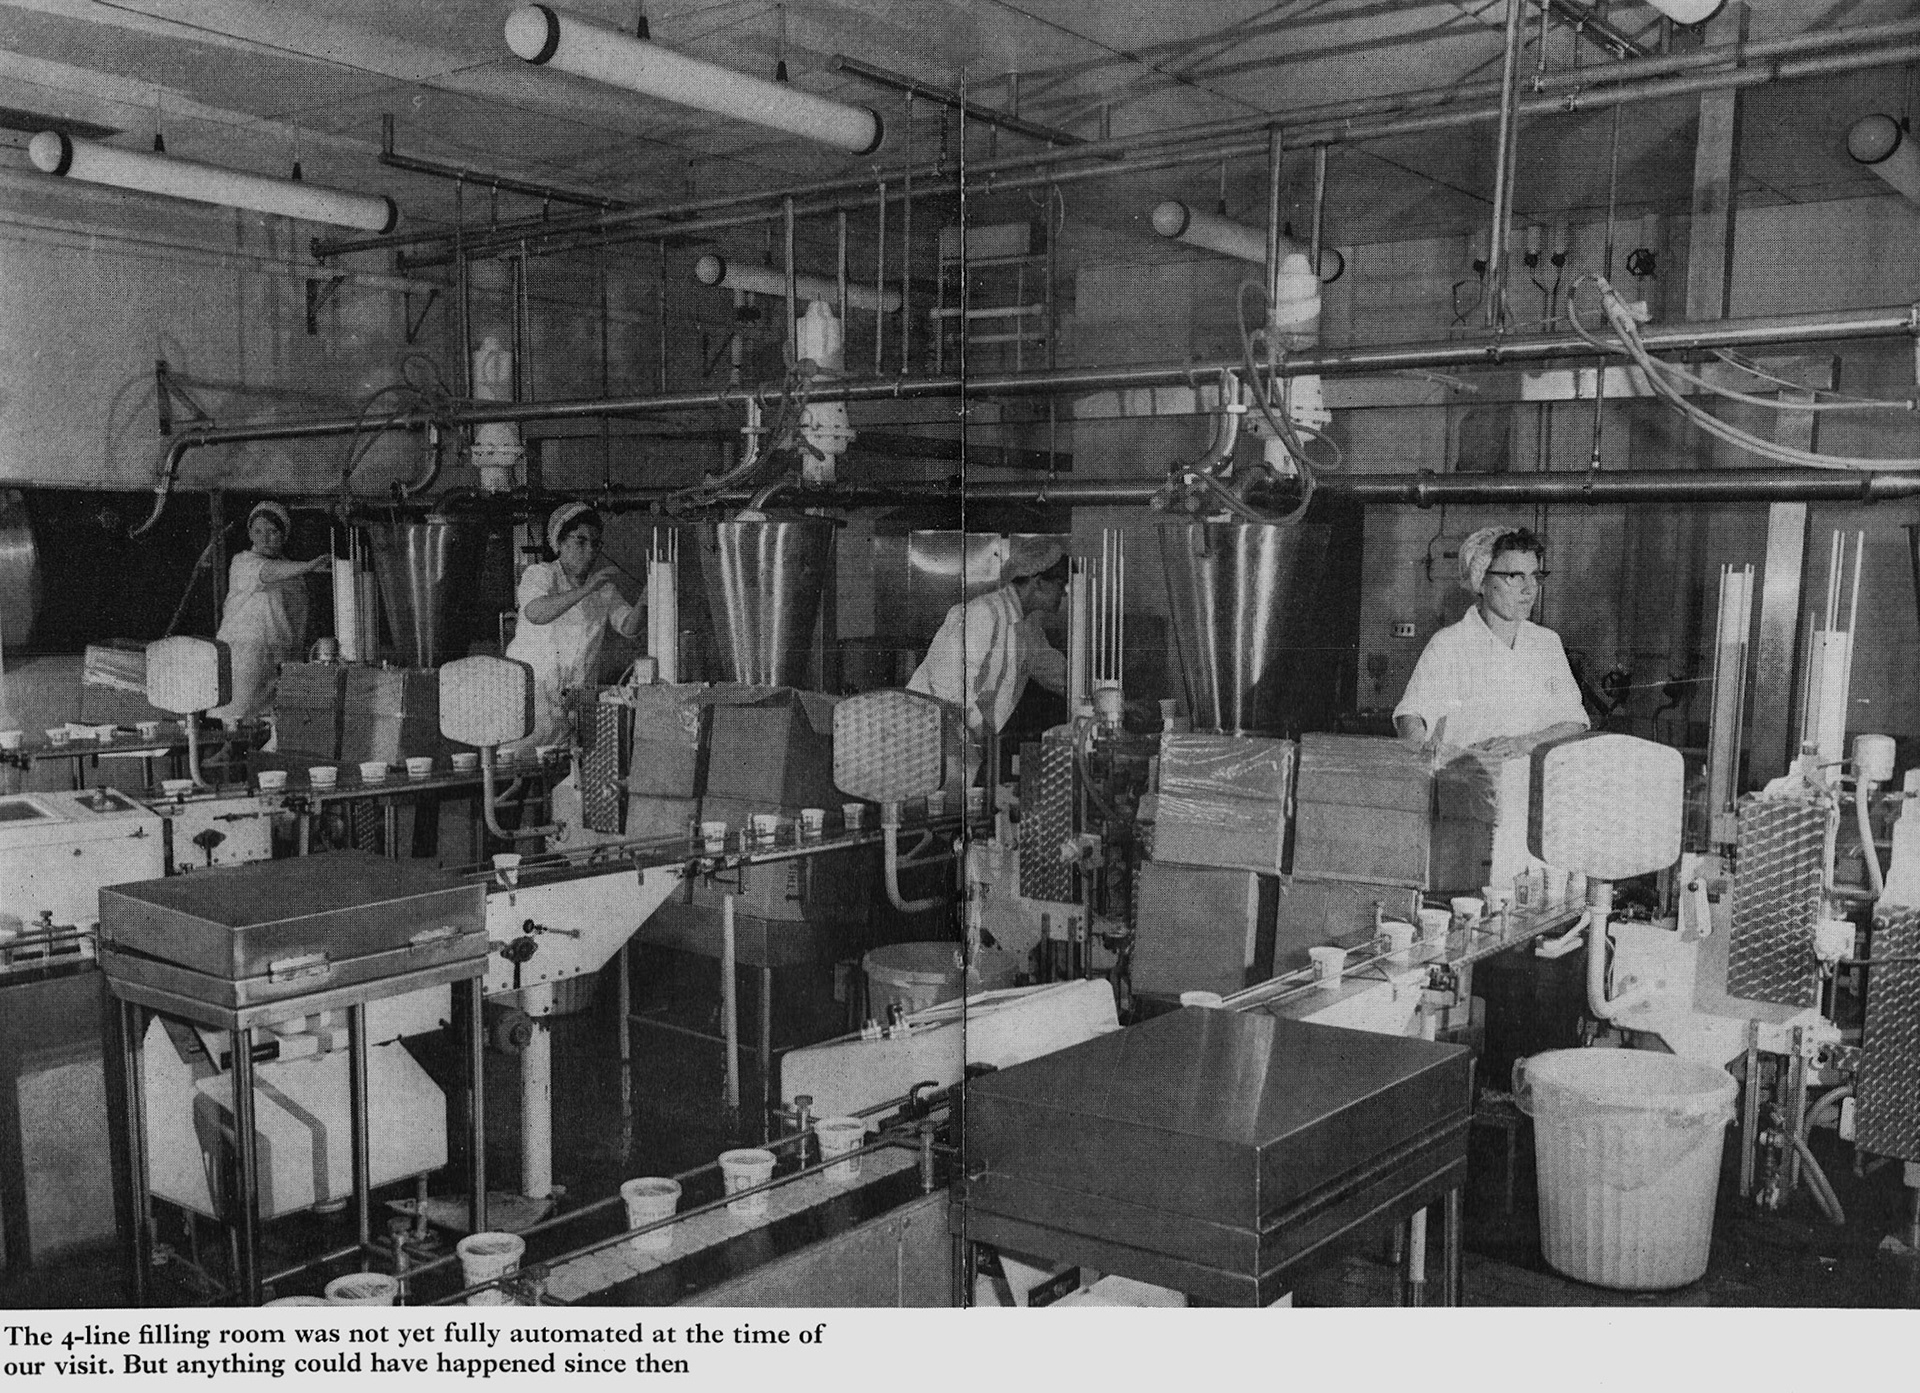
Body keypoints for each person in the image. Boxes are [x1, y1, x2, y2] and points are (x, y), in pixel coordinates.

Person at [1393, 525, 1588, 760]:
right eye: (1514, 577)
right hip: (1466, 782)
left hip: (1532, 784)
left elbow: (1575, 720)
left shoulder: (1546, 643)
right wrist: (1421, 750)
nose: (1529, 589)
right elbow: (1411, 714)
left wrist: (1524, 743)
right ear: (1481, 580)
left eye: (1535, 576)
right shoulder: (1449, 644)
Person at [908, 539, 1070, 777]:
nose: (1063, 593)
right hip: (929, 740)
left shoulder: (1028, 627)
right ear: (1038, 582)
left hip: (964, 744)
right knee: (931, 807)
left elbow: (1057, 674)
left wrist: (1104, 702)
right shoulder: (984, 613)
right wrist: (982, 733)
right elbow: (949, 684)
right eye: (1060, 584)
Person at [504, 502, 643, 750]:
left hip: (575, 707)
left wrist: (645, 601)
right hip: (532, 704)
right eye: (581, 541)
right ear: (559, 543)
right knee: (518, 771)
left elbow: (628, 627)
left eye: (595, 543)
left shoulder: (604, 590)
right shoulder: (540, 574)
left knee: (569, 779)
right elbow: (537, 612)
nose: (590, 551)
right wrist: (586, 590)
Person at [210, 501, 328, 725]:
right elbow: (269, 572)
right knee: (235, 731)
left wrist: (295, 664)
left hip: (278, 662)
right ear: (250, 534)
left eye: (273, 532)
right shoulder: (243, 562)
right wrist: (309, 565)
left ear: (284, 537)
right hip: (243, 663)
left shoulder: (294, 575)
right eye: (258, 531)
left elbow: (298, 623)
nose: (264, 538)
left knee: (272, 732)